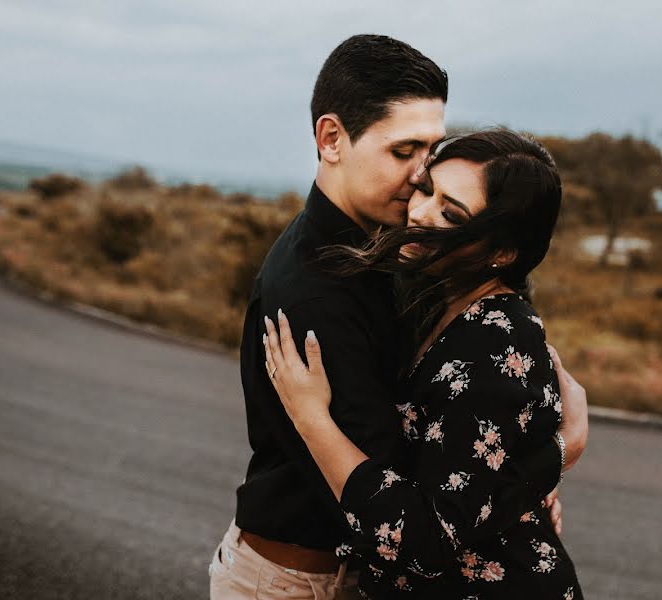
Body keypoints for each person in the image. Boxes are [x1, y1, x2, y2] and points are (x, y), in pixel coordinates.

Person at [209, 35, 587, 600]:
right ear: (332, 139)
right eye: (403, 152)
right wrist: (549, 458)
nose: (418, 179)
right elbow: (408, 500)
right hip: (303, 582)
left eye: (430, 153)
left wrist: (509, 462)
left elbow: (455, 465)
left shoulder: (398, 256)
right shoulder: (318, 292)